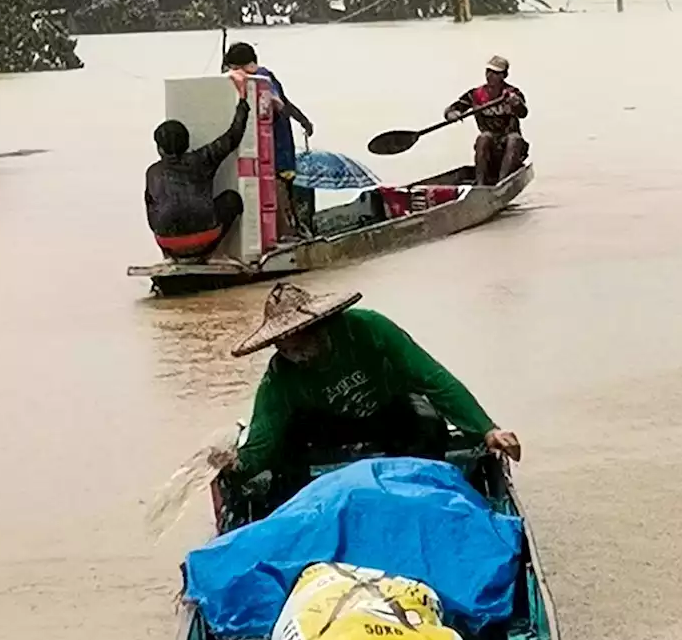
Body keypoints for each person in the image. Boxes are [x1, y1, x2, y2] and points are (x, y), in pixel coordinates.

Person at [211, 282, 521, 498]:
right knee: (284, 445)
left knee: (427, 421)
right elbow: (265, 434)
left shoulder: (368, 328)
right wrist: (233, 465)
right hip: (327, 427)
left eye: (298, 343)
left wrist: (486, 429)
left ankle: (422, 496)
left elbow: (432, 378)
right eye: (284, 347)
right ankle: (303, 509)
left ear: (320, 327)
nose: (294, 355)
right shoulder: (280, 375)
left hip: (387, 414)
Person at [144, 70, 250, 260]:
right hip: (205, 238)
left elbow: (151, 215)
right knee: (232, 199)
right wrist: (243, 99)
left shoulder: (153, 172)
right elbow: (233, 136)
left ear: (160, 149)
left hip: (167, 243)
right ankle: (217, 253)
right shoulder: (202, 159)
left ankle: (171, 257)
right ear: (186, 144)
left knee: (159, 208)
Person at [221, 42, 314, 242]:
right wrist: (303, 120)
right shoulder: (259, 77)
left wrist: (299, 118)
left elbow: (279, 104)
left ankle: (285, 234)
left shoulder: (259, 78)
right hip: (274, 148)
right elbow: (286, 104)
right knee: (277, 189)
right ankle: (286, 231)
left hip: (275, 148)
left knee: (278, 189)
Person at [444, 56, 529, 186]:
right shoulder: (475, 94)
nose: (490, 75)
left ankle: (502, 183)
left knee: (514, 139)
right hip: (489, 144)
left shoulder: (513, 93)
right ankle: (480, 184)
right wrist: (452, 114)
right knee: (484, 137)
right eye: (488, 71)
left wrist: (516, 104)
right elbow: (453, 108)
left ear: (504, 75)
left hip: (510, 143)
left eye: (495, 73)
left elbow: (523, 113)